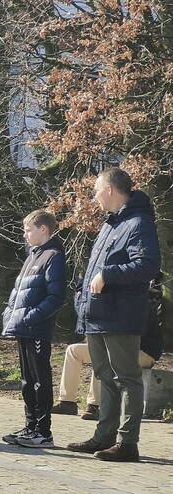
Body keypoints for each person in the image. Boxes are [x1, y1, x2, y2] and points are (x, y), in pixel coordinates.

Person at [68, 168, 160, 462]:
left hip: (121, 315)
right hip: (97, 313)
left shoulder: (139, 223)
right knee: (104, 375)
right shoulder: (110, 225)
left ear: (109, 190)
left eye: (96, 190)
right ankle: (103, 435)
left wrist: (108, 273)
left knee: (127, 378)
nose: (94, 196)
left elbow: (146, 266)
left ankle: (127, 442)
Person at [55, 274, 164, 419]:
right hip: (116, 348)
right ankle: (67, 402)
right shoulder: (106, 302)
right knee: (73, 351)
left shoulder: (138, 301)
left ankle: (95, 406)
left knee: (104, 353)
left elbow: (135, 334)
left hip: (144, 353)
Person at [0, 210, 67, 448]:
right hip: (23, 327)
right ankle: (30, 427)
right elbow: (19, 292)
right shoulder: (32, 256)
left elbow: (56, 296)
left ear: (43, 229)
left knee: (40, 379)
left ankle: (43, 431)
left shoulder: (53, 256)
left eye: (29, 229)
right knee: (27, 380)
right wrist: (10, 314)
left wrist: (31, 317)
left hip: (36, 328)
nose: (25, 234)